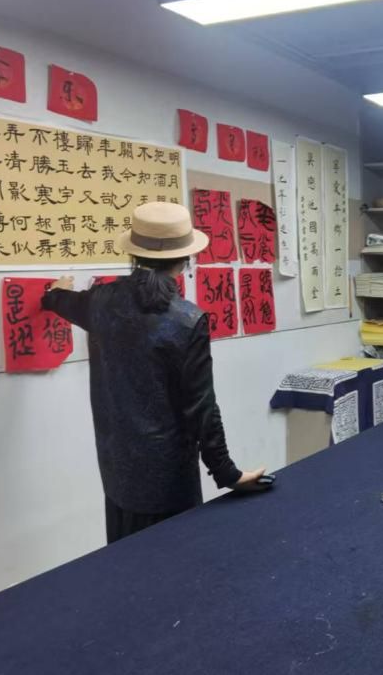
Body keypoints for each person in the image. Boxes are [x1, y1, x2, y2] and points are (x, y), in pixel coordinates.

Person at [42, 202, 266, 544]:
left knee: (123, 559)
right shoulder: (186, 319)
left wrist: (56, 292)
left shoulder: (100, 301)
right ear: (185, 259)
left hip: (116, 469)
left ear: (134, 254)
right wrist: (229, 474)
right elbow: (202, 408)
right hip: (169, 479)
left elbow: (59, 301)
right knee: (174, 563)